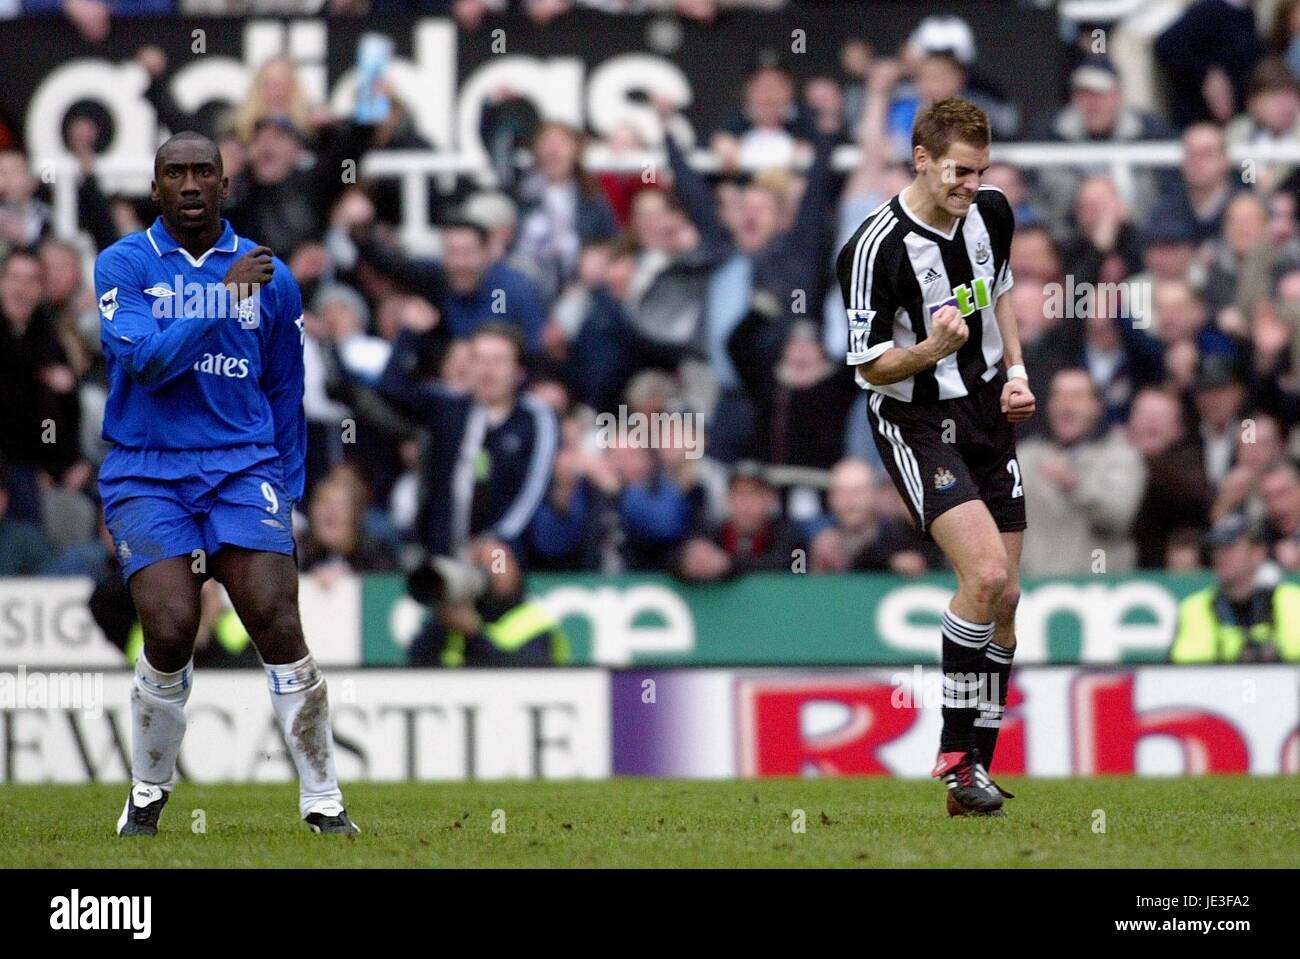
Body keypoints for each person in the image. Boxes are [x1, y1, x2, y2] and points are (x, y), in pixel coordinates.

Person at [92, 131, 358, 837]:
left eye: (201, 171)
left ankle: (324, 801)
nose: (188, 184)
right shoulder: (123, 265)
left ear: (223, 184)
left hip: (243, 466)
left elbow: (284, 387)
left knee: (277, 616)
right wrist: (219, 297)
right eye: (173, 172)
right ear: (154, 187)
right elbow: (147, 362)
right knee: (172, 628)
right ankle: (148, 792)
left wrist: (288, 490)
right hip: (148, 468)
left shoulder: (270, 276)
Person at [834, 97, 1033, 815]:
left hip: (986, 412)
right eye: (959, 171)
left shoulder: (993, 213)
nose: (971, 185)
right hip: (918, 420)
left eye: (980, 170)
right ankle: (957, 760)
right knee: (981, 573)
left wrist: (1016, 371)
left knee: (1006, 596)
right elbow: (866, 365)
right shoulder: (874, 247)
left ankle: (975, 766)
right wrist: (929, 351)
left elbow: (1001, 291)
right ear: (921, 159)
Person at [1170, 513, 1300, 662]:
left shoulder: (1294, 600)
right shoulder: (1194, 608)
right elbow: (1180, 668)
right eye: (1216, 547)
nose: (1220, 555)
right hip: (1214, 684)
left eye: (1230, 546)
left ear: (1258, 552)